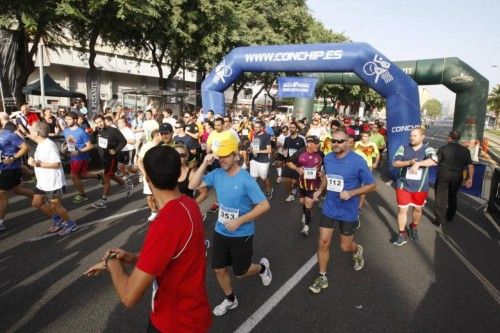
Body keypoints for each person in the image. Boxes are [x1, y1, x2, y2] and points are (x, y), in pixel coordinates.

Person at [84, 145, 212, 333]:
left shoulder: (166, 223)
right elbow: (170, 256)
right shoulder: (189, 204)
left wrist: (110, 262)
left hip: (174, 323)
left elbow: (129, 297)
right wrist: (131, 257)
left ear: (148, 179)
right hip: (194, 315)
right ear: (178, 174)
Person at [188, 137, 272, 316]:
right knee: (218, 269)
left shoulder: (246, 179)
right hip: (220, 231)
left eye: (226, 156)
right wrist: (203, 163)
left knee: (241, 273)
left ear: (235, 155)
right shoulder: (217, 173)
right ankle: (230, 299)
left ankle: (262, 268)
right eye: (220, 157)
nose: (222, 160)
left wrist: (240, 220)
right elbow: (192, 185)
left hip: (242, 234)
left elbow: (264, 205)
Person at [308, 130, 376, 294]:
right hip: (330, 206)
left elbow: (372, 185)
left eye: (340, 141)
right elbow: (326, 177)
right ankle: (322, 276)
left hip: (348, 209)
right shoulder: (328, 157)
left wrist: (352, 193)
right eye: (334, 141)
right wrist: (319, 190)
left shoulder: (358, 161)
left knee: (345, 247)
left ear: (348, 142)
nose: (336, 144)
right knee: (323, 242)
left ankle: (357, 250)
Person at [28, 122, 78, 235]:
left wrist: (37, 164)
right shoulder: (40, 144)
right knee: (36, 203)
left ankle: (71, 224)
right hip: (42, 182)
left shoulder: (48, 145)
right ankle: (58, 220)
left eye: (31, 130)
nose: (29, 132)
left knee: (55, 206)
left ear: (36, 133)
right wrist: (32, 160)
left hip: (52, 182)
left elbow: (57, 164)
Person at [392, 127, 438, 246]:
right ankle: (402, 234)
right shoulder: (404, 148)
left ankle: (413, 227)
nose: (411, 137)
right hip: (403, 185)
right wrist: (408, 163)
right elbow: (395, 162)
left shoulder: (427, 148)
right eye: (411, 135)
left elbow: (434, 160)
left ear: (422, 137)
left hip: (420, 187)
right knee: (402, 210)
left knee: (417, 209)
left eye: (415, 135)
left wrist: (418, 164)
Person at [91, 115, 133, 209]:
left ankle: (103, 200)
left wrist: (115, 150)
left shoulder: (113, 130)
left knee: (106, 178)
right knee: (111, 175)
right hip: (103, 159)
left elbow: (123, 141)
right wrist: (94, 132)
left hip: (111, 158)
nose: (99, 124)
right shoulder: (97, 131)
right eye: (97, 123)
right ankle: (127, 186)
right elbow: (92, 141)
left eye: (100, 121)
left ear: (104, 120)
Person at [433, 130, 474, 226]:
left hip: (444, 174)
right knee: (453, 195)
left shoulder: (443, 148)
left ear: (450, 138)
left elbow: (436, 161)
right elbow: (470, 166)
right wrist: (470, 178)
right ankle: (450, 215)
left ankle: (438, 219)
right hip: (457, 175)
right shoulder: (465, 151)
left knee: (440, 196)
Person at [286, 135, 324, 236]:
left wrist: (322, 173)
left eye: (318, 143)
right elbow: (288, 162)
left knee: (308, 204)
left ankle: (306, 227)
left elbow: (326, 166)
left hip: (314, 185)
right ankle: (306, 213)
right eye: (316, 143)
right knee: (302, 202)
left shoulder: (320, 153)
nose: (318, 145)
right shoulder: (300, 152)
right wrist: (297, 169)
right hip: (302, 183)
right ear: (309, 144)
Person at [0, 122, 34, 231]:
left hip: (9, 169)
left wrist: (13, 158)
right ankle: (41, 198)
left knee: (2, 195)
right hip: (3, 169)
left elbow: (26, 148)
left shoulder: (10, 135)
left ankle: (0, 222)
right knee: (17, 190)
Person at [62, 112, 94, 203]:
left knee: (73, 176)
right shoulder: (66, 130)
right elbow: (70, 143)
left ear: (75, 120)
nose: (67, 121)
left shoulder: (81, 132)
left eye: (69, 119)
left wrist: (79, 151)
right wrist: (67, 150)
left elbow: (90, 146)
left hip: (81, 157)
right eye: (66, 119)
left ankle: (83, 195)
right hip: (73, 157)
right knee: (82, 175)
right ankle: (99, 176)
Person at [249, 120, 274, 199]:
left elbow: (269, 150)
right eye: (254, 127)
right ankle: (255, 194)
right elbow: (253, 145)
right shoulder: (254, 134)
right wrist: (250, 148)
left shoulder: (266, 136)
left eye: (257, 127)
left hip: (263, 160)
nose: (255, 129)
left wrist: (258, 151)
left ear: (262, 128)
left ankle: (269, 190)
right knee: (253, 177)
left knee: (264, 178)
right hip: (254, 159)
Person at [282, 121, 306, 202]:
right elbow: (284, 148)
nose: (291, 129)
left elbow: (305, 151)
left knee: (294, 182)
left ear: (297, 129)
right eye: (290, 127)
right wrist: (284, 153)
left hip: (298, 163)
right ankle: (290, 194)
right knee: (286, 180)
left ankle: (295, 187)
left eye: (293, 128)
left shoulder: (301, 139)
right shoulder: (287, 139)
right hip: (289, 162)